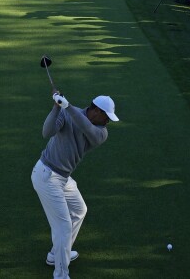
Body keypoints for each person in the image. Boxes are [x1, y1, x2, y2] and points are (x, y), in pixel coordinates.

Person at [32, 91, 118, 279]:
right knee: (63, 227)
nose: (108, 121)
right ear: (96, 111)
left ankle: (57, 254)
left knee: (80, 210)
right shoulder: (67, 112)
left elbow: (86, 128)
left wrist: (68, 107)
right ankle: (61, 274)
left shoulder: (101, 132)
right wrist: (56, 108)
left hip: (63, 177)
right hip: (46, 174)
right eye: (106, 116)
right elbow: (46, 132)